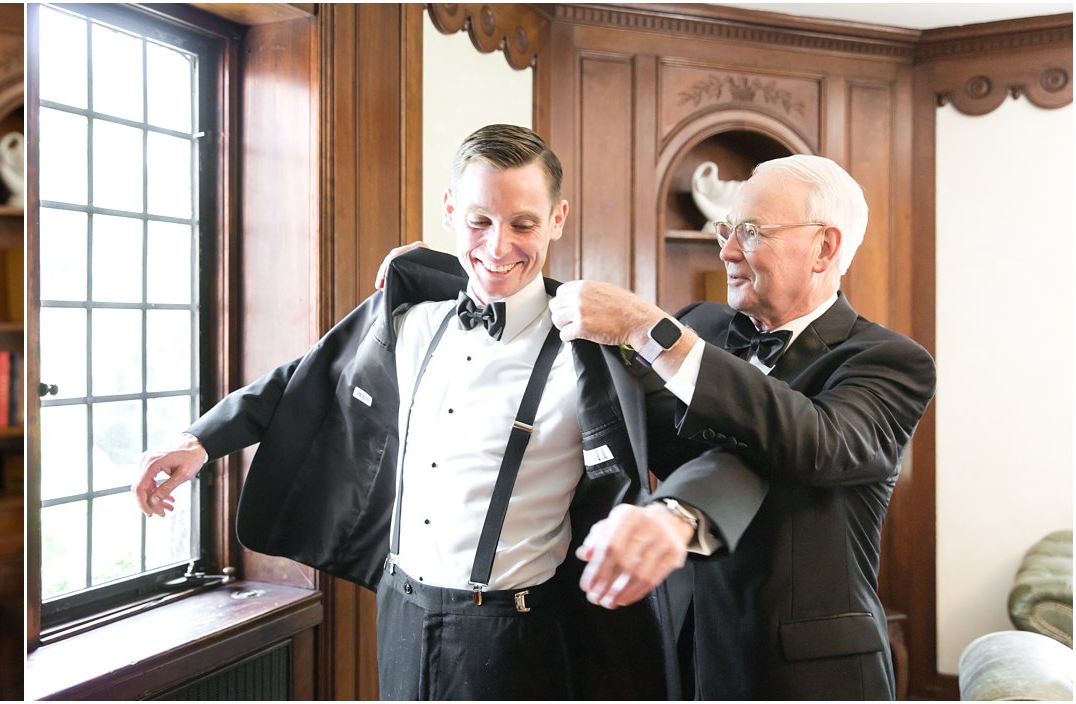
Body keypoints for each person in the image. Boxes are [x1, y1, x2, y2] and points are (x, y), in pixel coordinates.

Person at [135, 124, 677, 700]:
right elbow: (310, 376)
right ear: (449, 209)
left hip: (516, 635)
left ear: (557, 219)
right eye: (479, 221)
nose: (498, 247)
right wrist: (200, 440)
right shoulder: (409, 321)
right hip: (399, 611)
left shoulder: (591, 354)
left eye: (523, 224)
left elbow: (690, 441)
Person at [548, 154, 936, 698]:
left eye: (750, 232)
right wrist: (446, 283)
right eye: (727, 229)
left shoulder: (890, 361)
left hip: (811, 675)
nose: (727, 250)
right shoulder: (700, 327)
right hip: (687, 653)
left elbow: (814, 441)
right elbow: (625, 408)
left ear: (824, 247)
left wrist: (649, 329)